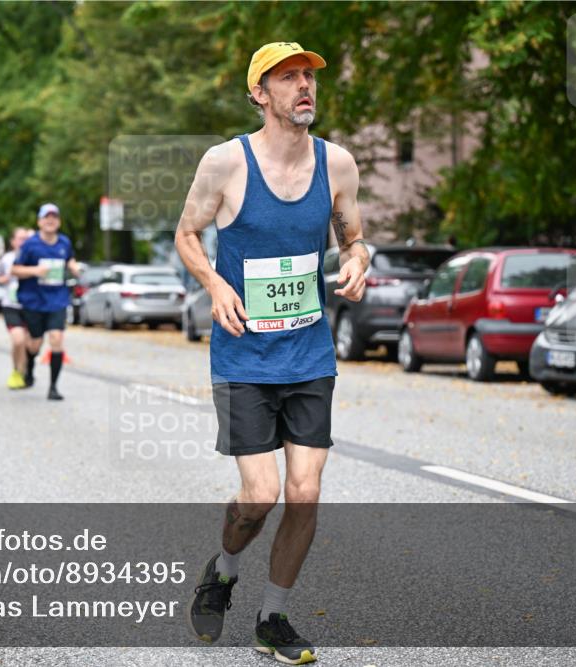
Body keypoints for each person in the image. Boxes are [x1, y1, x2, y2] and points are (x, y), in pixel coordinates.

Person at [174, 42, 369, 665]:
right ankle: (223, 570)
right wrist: (215, 284)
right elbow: (187, 233)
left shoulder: (337, 164)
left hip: (309, 353)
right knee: (259, 496)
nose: (303, 85)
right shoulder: (225, 163)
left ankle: (272, 618)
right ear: (259, 94)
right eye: (287, 77)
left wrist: (358, 260)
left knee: (304, 491)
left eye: (308, 76)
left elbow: (353, 236)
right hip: (243, 357)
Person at [12, 204, 81, 401]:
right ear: (39, 221)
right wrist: (35, 271)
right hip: (34, 301)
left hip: (57, 299)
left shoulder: (64, 242)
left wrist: (74, 267)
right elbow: (15, 269)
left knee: (56, 338)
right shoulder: (30, 245)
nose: (50, 221)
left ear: (59, 222)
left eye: (54, 217)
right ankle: (29, 368)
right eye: (46, 217)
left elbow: (69, 259)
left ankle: (53, 387)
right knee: (35, 343)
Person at [0, 227, 32, 389]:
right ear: (13, 241)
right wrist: (7, 277)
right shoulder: (7, 258)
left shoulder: (34, 257)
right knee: (18, 340)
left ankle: (25, 371)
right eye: (20, 238)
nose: (24, 242)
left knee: (28, 343)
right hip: (11, 305)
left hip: (30, 305)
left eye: (26, 238)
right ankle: (17, 371)